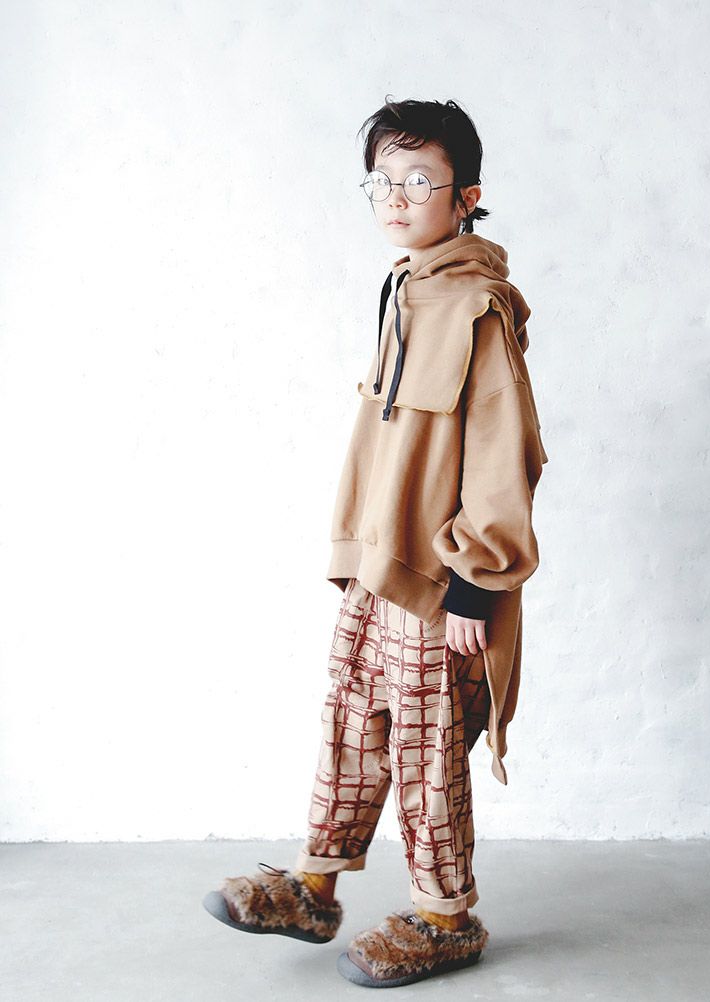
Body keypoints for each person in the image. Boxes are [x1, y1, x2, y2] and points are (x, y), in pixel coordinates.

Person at [201, 96, 548, 989]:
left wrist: (476, 584)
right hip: (376, 564)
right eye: (382, 181)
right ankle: (313, 887)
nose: (396, 198)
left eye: (419, 180)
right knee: (352, 719)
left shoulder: (477, 308)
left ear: (467, 196)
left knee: (428, 747)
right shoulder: (405, 288)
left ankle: (445, 917)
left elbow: (502, 453)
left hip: (440, 577)